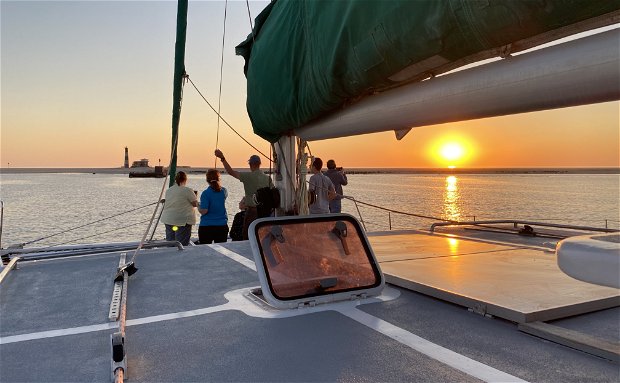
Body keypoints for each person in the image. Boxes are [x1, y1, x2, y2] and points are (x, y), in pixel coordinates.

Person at [214, 149, 272, 239]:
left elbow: (231, 172)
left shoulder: (247, 177)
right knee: (262, 237)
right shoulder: (268, 178)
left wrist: (222, 158)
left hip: (252, 212)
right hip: (266, 213)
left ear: (250, 164)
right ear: (259, 164)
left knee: (248, 237)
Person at [160, 171, 197, 246]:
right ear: (185, 180)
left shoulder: (169, 190)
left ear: (175, 179)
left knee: (170, 243)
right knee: (181, 244)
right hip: (182, 221)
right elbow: (195, 204)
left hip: (169, 219)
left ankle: (170, 256)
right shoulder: (188, 190)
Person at [197, 169, 229, 244]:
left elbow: (204, 211)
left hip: (207, 227)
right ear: (218, 178)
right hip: (222, 226)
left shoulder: (206, 193)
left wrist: (198, 206)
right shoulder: (224, 191)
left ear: (207, 180)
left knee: (205, 251)